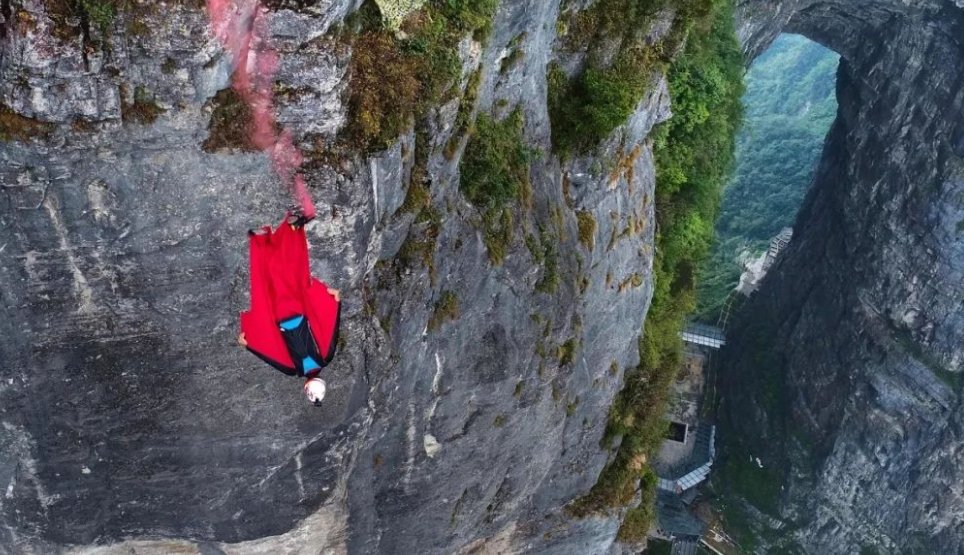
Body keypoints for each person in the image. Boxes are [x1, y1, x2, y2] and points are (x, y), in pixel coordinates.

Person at [238, 213, 341, 406]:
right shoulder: (290, 368)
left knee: (294, 271)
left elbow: (329, 326)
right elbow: (268, 351)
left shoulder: (325, 356)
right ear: (306, 387)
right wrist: (248, 342)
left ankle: (292, 229)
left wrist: (334, 300)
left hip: (299, 307)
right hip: (277, 314)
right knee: (265, 281)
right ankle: (260, 238)